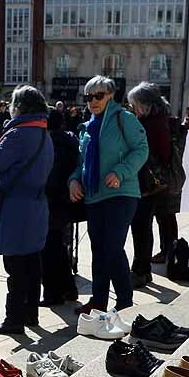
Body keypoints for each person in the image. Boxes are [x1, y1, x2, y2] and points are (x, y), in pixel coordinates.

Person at [0, 85, 54, 336]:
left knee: (15, 265)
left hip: (16, 208)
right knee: (32, 261)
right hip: (36, 204)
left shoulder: (18, 134)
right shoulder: (43, 133)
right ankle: (30, 314)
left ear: (19, 108)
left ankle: (14, 319)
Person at [68, 75, 149, 314]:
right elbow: (82, 162)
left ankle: (124, 303)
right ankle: (99, 300)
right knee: (98, 249)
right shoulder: (88, 126)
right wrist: (73, 180)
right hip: (94, 196)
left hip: (121, 193)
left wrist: (120, 171)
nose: (93, 101)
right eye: (89, 96)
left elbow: (142, 149)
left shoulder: (124, 118)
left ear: (111, 96)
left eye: (98, 96)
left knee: (112, 247)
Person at [127, 82, 179, 287]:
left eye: (135, 104)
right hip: (148, 183)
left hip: (147, 184)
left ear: (145, 104)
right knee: (143, 226)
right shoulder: (157, 119)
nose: (134, 108)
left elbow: (159, 154)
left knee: (141, 226)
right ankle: (143, 270)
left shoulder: (152, 124)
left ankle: (140, 270)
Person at [40, 108, 80, 305]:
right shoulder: (70, 140)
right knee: (58, 246)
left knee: (49, 249)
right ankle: (69, 289)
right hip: (67, 201)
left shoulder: (49, 143)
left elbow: (51, 176)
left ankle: (53, 294)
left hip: (51, 200)